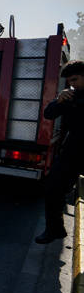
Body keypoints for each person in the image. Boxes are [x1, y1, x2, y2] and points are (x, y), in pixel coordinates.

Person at [35, 60, 84, 244]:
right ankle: (54, 230)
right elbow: (49, 114)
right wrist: (59, 98)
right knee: (53, 189)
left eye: (75, 79)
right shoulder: (71, 96)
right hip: (72, 152)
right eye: (69, 81)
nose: (72, 84)